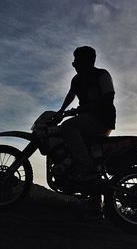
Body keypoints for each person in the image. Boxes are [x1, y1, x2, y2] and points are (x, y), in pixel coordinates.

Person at [56, 46, 116, 183]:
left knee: (67, 127)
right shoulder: (76, 80)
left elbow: (109, 98)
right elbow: (70, 95)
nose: (75, 66)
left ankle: (86, 167)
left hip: (102, 119)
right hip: (86, 119)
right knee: (90, 153)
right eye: (74, 63)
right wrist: (61, 111)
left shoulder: (102, 75)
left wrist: (81, 110)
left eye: (78, 62)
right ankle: (93, 191)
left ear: (90, 61)